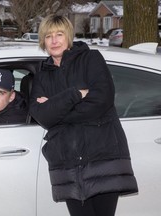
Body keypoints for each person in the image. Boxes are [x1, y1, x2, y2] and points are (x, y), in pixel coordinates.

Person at [29, 14, 138, 216]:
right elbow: (42, 116)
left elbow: (102, 100)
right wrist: (77, 94)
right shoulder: (42, 74)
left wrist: (56, 110)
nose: (54, 40)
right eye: (48, 36)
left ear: (68, 36)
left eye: (59, 34)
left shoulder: (91, 59)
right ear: (43, 40)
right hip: (68, 162)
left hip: (103, 156)